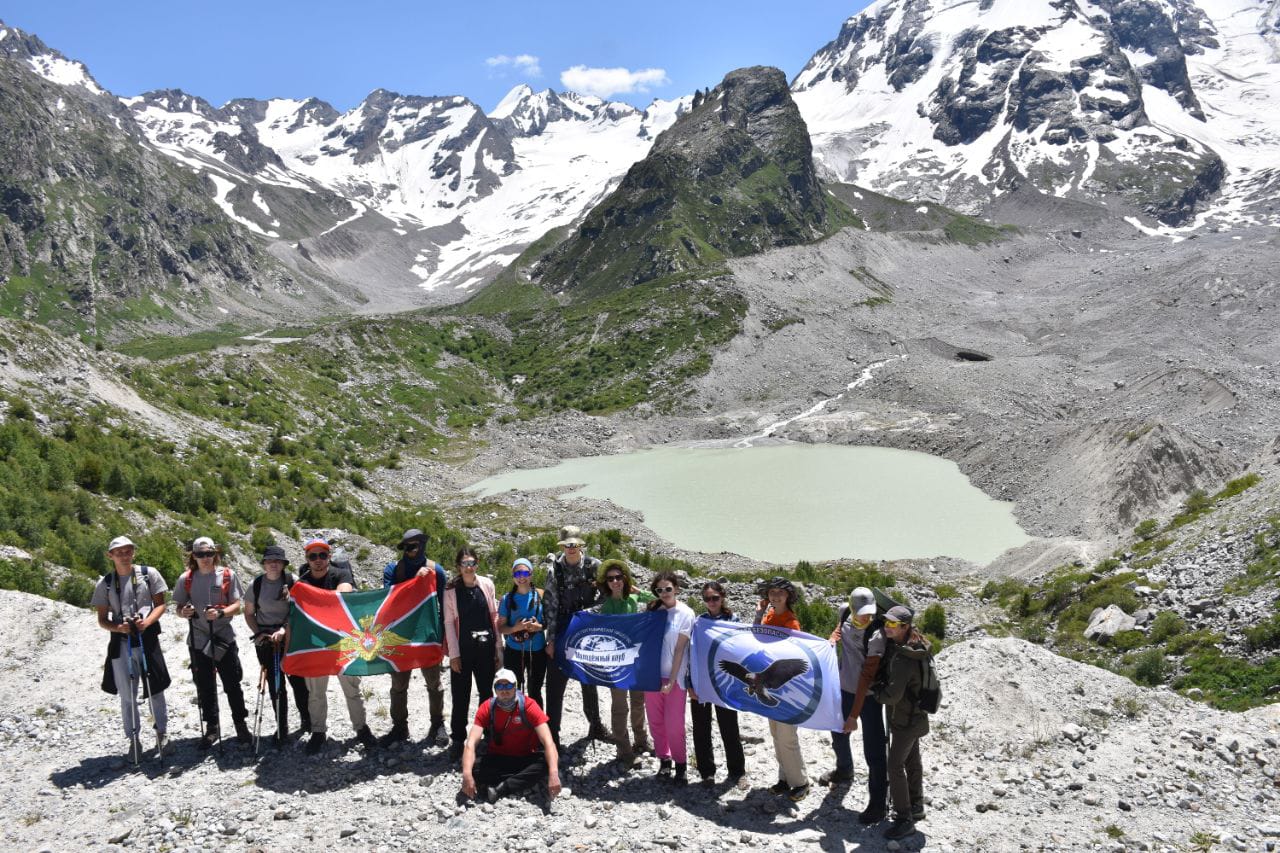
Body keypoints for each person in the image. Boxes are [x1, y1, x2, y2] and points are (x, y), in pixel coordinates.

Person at [93, 535, 171, 760]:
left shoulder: (149, 574)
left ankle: (162, 733)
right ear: (110, 556)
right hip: (121, 643)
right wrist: (120, 628)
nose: (124, 555)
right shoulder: (106, 583)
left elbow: (161, 604)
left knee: (156, 689)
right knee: (127, 695)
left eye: (128, 551)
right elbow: (102, 620)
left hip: (148, 639)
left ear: (133, 552)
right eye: (119, 552)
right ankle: (133, 739)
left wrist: (146, 622)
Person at [297, 538, 376, 755]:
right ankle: (318, 731)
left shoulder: (341, 574)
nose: (318, 560)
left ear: (329, 557)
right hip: (315, 644)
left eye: (322, 555)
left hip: (344, 642)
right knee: (315, 692)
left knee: (352, 689)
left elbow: (344, 595)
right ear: (307, 559)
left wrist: (315, 600)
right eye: (313, 556)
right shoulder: (302, 581)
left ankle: (361, 728)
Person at [173, 536, 250, 749]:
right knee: (204, 686)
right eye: (200, 554)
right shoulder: (186, 578)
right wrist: (183, 612)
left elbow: (237, 605)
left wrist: (221, 613)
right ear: (194, 556)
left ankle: (240, 724)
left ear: (215, 554)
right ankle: (212, 727)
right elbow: (178, 607)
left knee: (232, 683)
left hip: (223, 638)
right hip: (198, 640)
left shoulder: (227, 575)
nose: (205, 558)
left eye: (209, 553)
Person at [823, 586, 890, 823]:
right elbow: (840, 629)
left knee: (874, 750)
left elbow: (866, 677)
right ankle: (844, 769)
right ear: (851, 608)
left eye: (869, 612)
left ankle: (878, 804)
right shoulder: (844, 612)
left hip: (869, 696)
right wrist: (833, 638)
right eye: (861, 613)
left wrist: (853, 715)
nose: (866, 617)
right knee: (837, 732)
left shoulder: (877, 633)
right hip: (843, 688)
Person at [380, 529, 449, 747]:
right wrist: (415, 582)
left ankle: (438, 724)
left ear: (422, 545)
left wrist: (443, 637)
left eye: (413, 546)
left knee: (434, 683)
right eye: (406, 547)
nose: (409, 551)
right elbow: (388, 599)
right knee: (398, 685)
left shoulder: (436, 571)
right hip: (400, 636)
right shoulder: (393, 570)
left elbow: (444, 606)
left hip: (428, 636)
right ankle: (399, 727)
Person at [543, 525, 607, 745]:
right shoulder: (554, 571)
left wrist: (590, 615)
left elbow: (606, 596)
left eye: (574, 544)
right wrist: (551, 640)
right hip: (562, 628)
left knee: (588, 679)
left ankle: (596, 726)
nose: (571, 548)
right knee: (555, 682)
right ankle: (552, 735)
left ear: (581, 545)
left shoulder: (594, 566)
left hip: (586, 629)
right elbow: (550, 606)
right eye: (567, 544)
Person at [872, 605, 931, 841]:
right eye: (886, 622)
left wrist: (876, 692)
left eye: (893, 624)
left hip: (905, 720)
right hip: (915, 716)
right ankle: (916, 805)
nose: (887, 627)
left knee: (894, 766)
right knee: (912, 760)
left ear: (905, 627)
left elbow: (892, 696)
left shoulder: (905, 658)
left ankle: (904, 819)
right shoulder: (916, 646)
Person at [459, 669, 561, 804]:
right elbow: (471, 743)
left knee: (547, 763)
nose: (504, 691)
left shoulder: (529, 706)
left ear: (515, 687)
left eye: (508, 686)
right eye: (500, 686)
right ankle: (518, 780)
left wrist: (554, 774)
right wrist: (466, 774)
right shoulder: (487, 707)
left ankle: (502, 788)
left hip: (525, 757)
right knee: (472, 767)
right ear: (495, 689)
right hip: (498, 757)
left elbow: (548, 742)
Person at [243, 544, 310, 744]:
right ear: (264, 563)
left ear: (283, 564)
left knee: (298, 681)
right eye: (270, 561)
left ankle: (307, 719)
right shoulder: (255, 585)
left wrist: (284, 629)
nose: (273, 564)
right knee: (275, 685)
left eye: (278, 561)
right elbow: (249, 613)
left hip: (290, 637)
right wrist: (258, 633)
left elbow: (300, 609)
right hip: (266, 640)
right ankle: (282, 726)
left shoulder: (292, 581)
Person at [443, 545, 502, 761]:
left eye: (472, 563)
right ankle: (458, 739)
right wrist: (454, 655)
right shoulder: (450, 590)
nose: (469, 567)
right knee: (461, 695)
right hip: (463, 649)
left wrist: (498, 648)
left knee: (487, 693)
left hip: (486, 648)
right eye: (465, 563)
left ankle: (488, 734)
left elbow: (494, 616)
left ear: (477, 564)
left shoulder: (486, 584)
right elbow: (449, 623)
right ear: (458, 566)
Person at [755, 576, 810, 801]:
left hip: (788, 688)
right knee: (776, 734)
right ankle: (784, 778)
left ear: (788, 596)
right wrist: (759, 613)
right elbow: (756, 637)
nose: (775, 596)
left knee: (787, 736)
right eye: (772, 592)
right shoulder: (768, 616)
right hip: (772, 685)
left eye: (780, 593)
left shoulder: (791, 622)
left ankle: (800, 782)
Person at [593, 558, 652, 767]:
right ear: (606, 582)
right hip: (617, 663)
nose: (615, 581)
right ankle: (623, 750)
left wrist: (638, 590)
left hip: (636, 661)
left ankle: (641, 741)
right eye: (611, 579)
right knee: (620, 706)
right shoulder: (606, 606)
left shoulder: (633, 598)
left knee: (638, 702)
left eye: (619, 577)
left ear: (625, 578)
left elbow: (659, 599)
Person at [689, 581, 746, 787]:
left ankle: (737, 772)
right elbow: (690, 653)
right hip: (701, 681)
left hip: (725, 682)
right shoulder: (699, 622)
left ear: (722, 597)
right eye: (707, 598)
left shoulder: (734, 620)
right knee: (701, 728)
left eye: (715, 598)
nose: (711, 602)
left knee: (729, 727)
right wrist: (689, 683)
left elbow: (742, 649)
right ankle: (706, 772)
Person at [644, 571, 695, 784]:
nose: (664, 593)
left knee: (674, 724)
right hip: (653, 677)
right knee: (655, 721)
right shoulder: (653, 612)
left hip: (675, 678)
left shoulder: (686, 613)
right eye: (660, 590)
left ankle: (680, 764)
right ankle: (664, 761)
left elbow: (680, 649)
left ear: (677, 589)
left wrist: (672, 680)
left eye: (668, 589)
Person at [497, 557, 547, 708]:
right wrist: (515, 628)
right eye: (517, 574)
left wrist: (539, 627)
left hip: (537, 650)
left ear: (531, 574)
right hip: (513, 651)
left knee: (535, 691)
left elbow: (550, 621)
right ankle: (514, 720)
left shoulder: (541, 595)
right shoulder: (507, 599)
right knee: (513, 690)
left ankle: (536, 721)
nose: (521, 577)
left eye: (525, 573)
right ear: (513, 576)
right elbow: (501, 627)